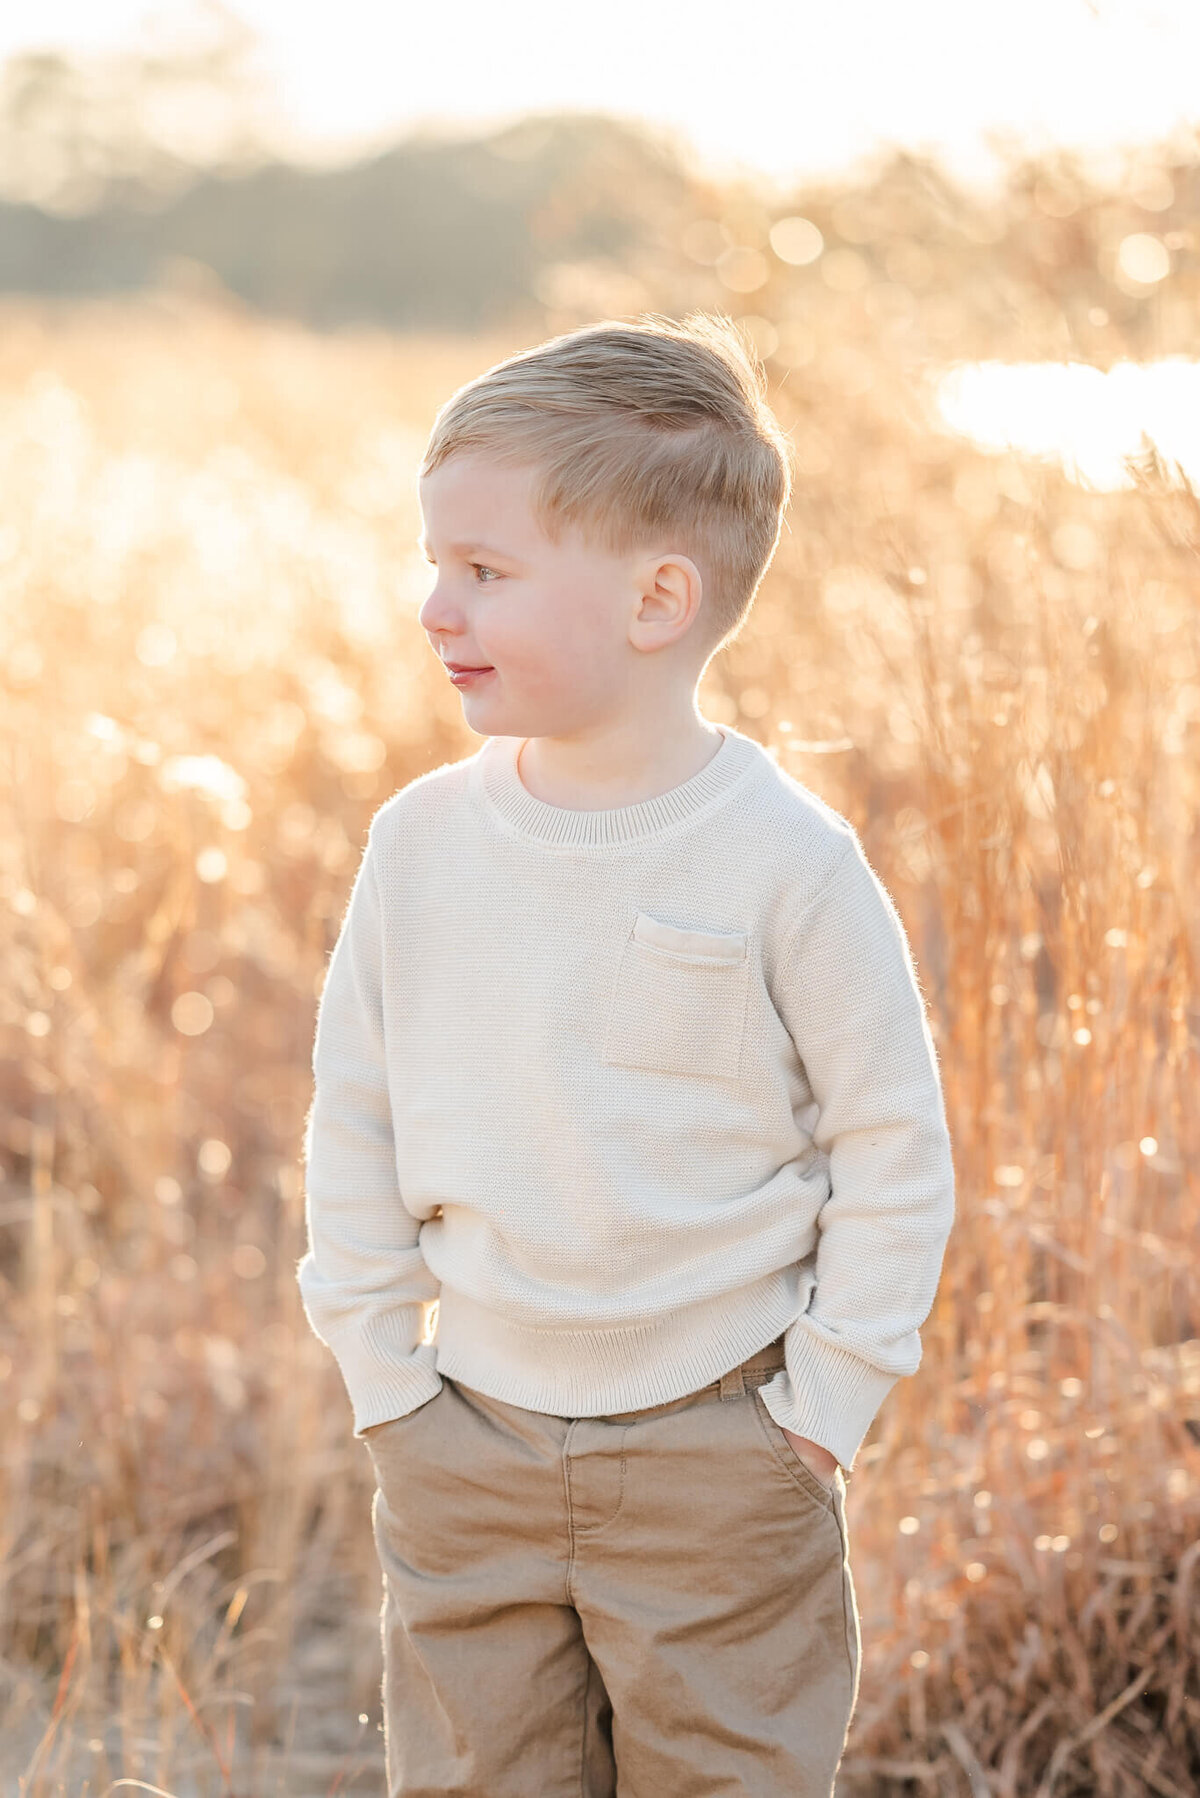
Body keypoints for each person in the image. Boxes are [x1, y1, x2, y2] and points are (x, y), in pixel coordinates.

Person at [297, 310, 956, 1797]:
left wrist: (823, 1410)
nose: (431, 607)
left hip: (725, 1447)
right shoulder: (421, 847)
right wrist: (382, 1379)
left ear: (660, 598)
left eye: (484, 570)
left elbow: (891, 1148)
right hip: (465, 1432)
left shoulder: (788, 862)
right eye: (433, 561)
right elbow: (355, 1111)